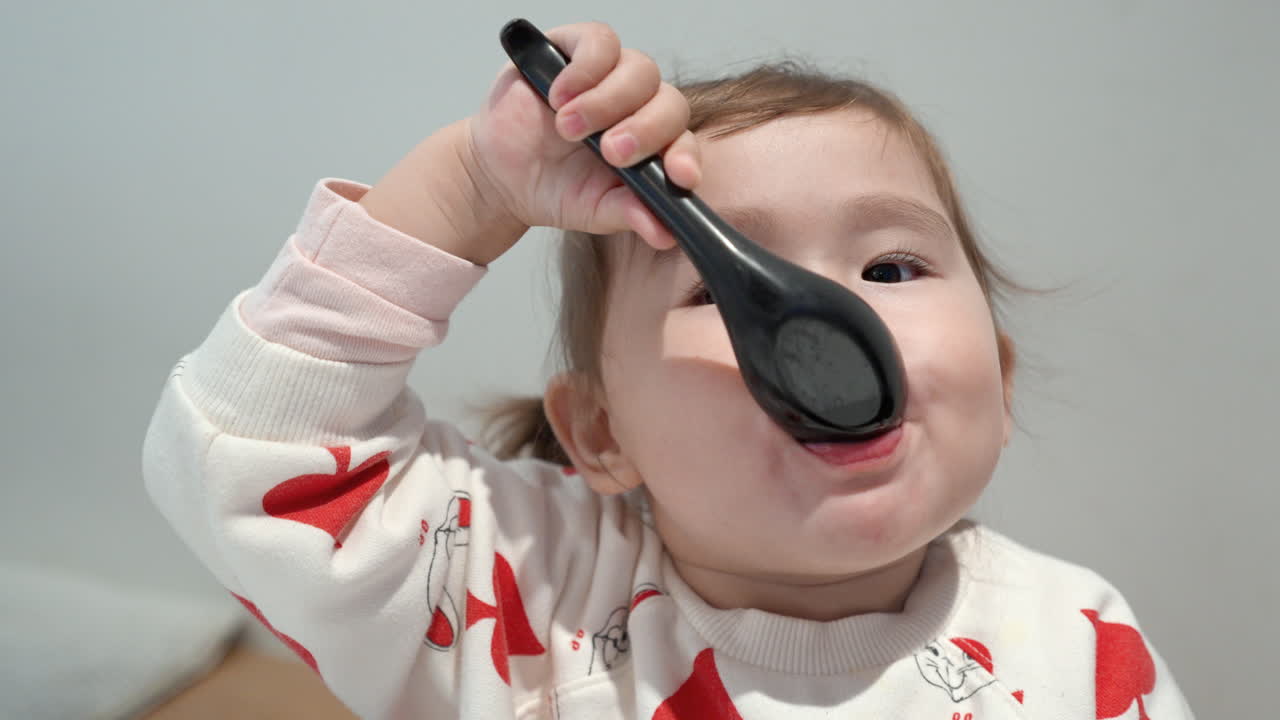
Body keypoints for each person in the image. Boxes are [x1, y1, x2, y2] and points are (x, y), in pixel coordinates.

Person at [142, 21, 1195, 719]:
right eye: (717, 289)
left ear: (999, 388)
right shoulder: (519, 596)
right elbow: (257, 454)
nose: (832, 320)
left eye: (890, 264)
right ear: (600, 433)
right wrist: (470, 189)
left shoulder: (1073, 646)